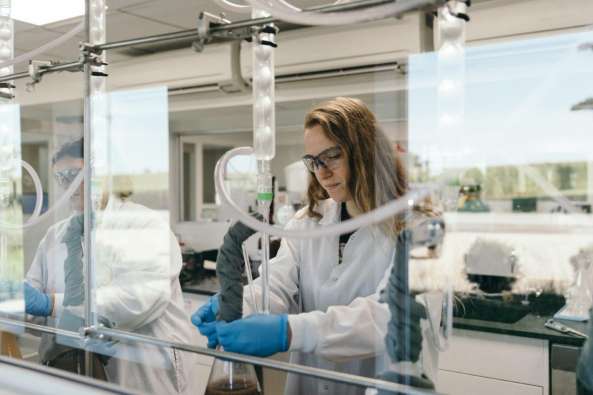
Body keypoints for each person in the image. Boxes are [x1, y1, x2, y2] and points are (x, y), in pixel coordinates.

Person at [193, 97, 432, 395]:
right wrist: (238, 303)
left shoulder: (417, 228)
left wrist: (290, 332)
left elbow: (387, 317)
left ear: (367, 153)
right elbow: (278, 287)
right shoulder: (307, 221)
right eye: (314, 161)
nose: (322, 172)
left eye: (332, 156)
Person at [25, 138, 199, 394]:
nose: (68, 185)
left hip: (141, 373)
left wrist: (52, 303)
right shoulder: (55, 235)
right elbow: (34, 302)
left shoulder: (144, 225)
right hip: (71, 373)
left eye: (75, 175)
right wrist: (13, 301)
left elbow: (136, 300)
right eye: (61, 177)